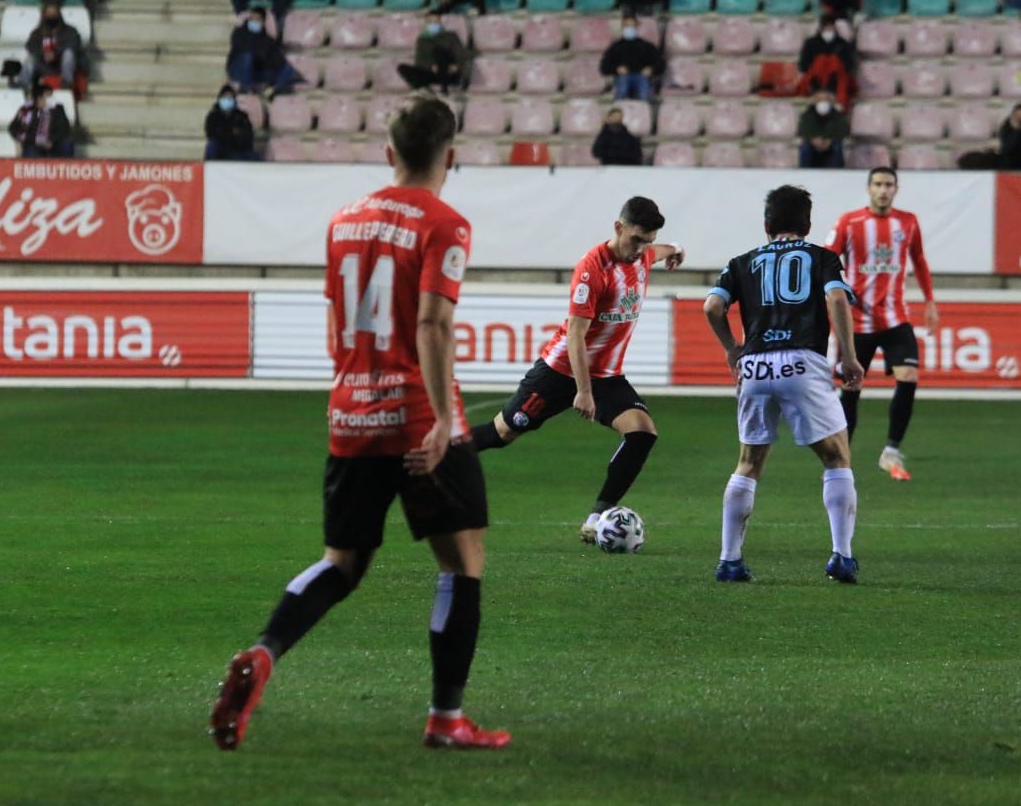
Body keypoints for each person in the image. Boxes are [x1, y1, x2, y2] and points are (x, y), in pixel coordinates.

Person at [210, 96, 510, 753]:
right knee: (463, 561)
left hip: (351, 411)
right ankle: (445, 718)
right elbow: (433, 323)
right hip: (417, 416)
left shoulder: (344, 221)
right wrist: (435, 422)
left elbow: (337, 319)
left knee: (341, 564)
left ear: (389, 153)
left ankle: (264, 650)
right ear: (450, 157)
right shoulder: (446, 224)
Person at [469, 198, 685, 543]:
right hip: (560, 372)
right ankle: (432, 455)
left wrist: (676, 249)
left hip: (607, 376)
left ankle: (597, 518)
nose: (641, 248)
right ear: (618, 228)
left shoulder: (643, 254)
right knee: (502, 433)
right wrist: (582, 392)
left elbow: (660, 250)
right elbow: (575, 335)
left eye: (647, 241)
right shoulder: (592, 269)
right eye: (636, 240)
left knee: (642, 432)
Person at [702, 185, 864, 584]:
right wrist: (847, 355)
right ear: (807, 224)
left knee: (749, 462)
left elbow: (712, 306)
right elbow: (838, 301)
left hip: (755, 366)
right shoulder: (822, 258)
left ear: (766, 224)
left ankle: (729, 560)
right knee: (836, 457)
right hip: (802, 361)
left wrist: (732, 349)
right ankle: (841, 557)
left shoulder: (742, 262)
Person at [824, 167, 938, 482]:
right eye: (878, 184)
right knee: (851, 387)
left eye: (888, 184)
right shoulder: (850, 222)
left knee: (909, 375)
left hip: (895, 317)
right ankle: (841, 454)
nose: (883, 190)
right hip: (856, 320)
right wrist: (833, 297)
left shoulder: (908, 222)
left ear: (896, 189)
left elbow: (920, 260)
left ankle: (891, 449)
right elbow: (827, 260)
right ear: (869, 188)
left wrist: (929, 300)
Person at [227, 7, 303, 94]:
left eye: (257, 19)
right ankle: (245, 88)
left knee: (283, 68)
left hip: (256, 71)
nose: (254, 21)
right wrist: (261, 54)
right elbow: (243, 49)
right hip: (237, 70)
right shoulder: (239, 33)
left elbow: (276, 59)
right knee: (247, 57)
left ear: (263, 22)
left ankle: (279, 90)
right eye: (251, 19)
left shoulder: (267, 40)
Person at [398, 12, 471, 93]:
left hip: (448, 73)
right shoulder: (422, 40)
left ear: (440, 23)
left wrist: (456, 66)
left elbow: (461, 55)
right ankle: (423, 90)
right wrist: (431, 66)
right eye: (430, 22)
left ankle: (444, 89)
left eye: (436, 22)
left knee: (438, 51)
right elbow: (419, 62)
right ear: (426, 24)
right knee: (402, 68)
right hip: (432, 74)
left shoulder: (451, 36)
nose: (433, 24)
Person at [599, 15, 662, 101]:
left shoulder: (647, 46)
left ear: (637, 27)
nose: (630, 28)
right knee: (622, 87)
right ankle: (619, 108)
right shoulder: (615, 47)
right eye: (627, 26)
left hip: (641, 76)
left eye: (632, 26)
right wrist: (616, 69)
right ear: (622, 27)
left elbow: (660, 63)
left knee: (643, 90)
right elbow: (604, 67)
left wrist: (651, 69)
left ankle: (642, 111)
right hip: (622, 77)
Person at [21, 4, 82, 90]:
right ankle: (23, 85)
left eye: (54, 13)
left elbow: (74, 44)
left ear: (59, 14)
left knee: (69, 54)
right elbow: (30, 46)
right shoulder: (37, 32)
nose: (51, 16)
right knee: (30, 58)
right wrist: (43, 54)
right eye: (49, 13)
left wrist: (55, 53)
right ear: (44, 15)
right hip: (43, 64)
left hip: (61, 64)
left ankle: (67, 83)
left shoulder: (70, 30)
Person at [797, 15, 855, 104]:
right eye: (825, 27)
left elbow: (849, 66)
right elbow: (803, 66)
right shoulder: (810, 43)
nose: (828, 30)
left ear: (835, 28)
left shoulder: (843, 44)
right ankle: (819, 92)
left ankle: (832, 93)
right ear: (820, 28)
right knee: (820, 62)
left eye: (830, 27)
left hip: (836, 82)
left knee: (835, 63)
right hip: (816, 82)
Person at [9, 84, 75, 158]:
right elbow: (14, 129)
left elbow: (64, 128)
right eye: (49, 96)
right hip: (33, 143)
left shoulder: (58, 109)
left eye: (52, 96)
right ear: (39, 98)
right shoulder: (26, 110)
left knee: (67, 144)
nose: (52, 98)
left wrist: (51, 140)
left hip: (53, 142)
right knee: (32, 152)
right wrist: (37, 140)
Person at [204, 85, 259, 162]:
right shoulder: (213, 116)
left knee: (252, 157)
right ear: (220, 99)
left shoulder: (242, 116)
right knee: (212, 146)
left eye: (230, 98)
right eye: (225, 97)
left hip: (237, 149)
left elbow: (247, 136)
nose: (227, 100)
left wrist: (229, 134)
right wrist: (232, 133)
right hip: (221, 149)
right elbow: (212, 134)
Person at [797, 90, 848, 169]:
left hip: (830, 145)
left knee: (837, 146)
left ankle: (837, 172)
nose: (823, 102)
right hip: (812, 146)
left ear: (831, 101)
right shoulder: (807, 115)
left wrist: (829, 141)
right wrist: (813, 140)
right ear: (814, 101)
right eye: (820, 99)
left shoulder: (838, 115)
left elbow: (843, 131)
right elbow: (803, 131)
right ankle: (804, 172)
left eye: (826, 99)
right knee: (805, 146)